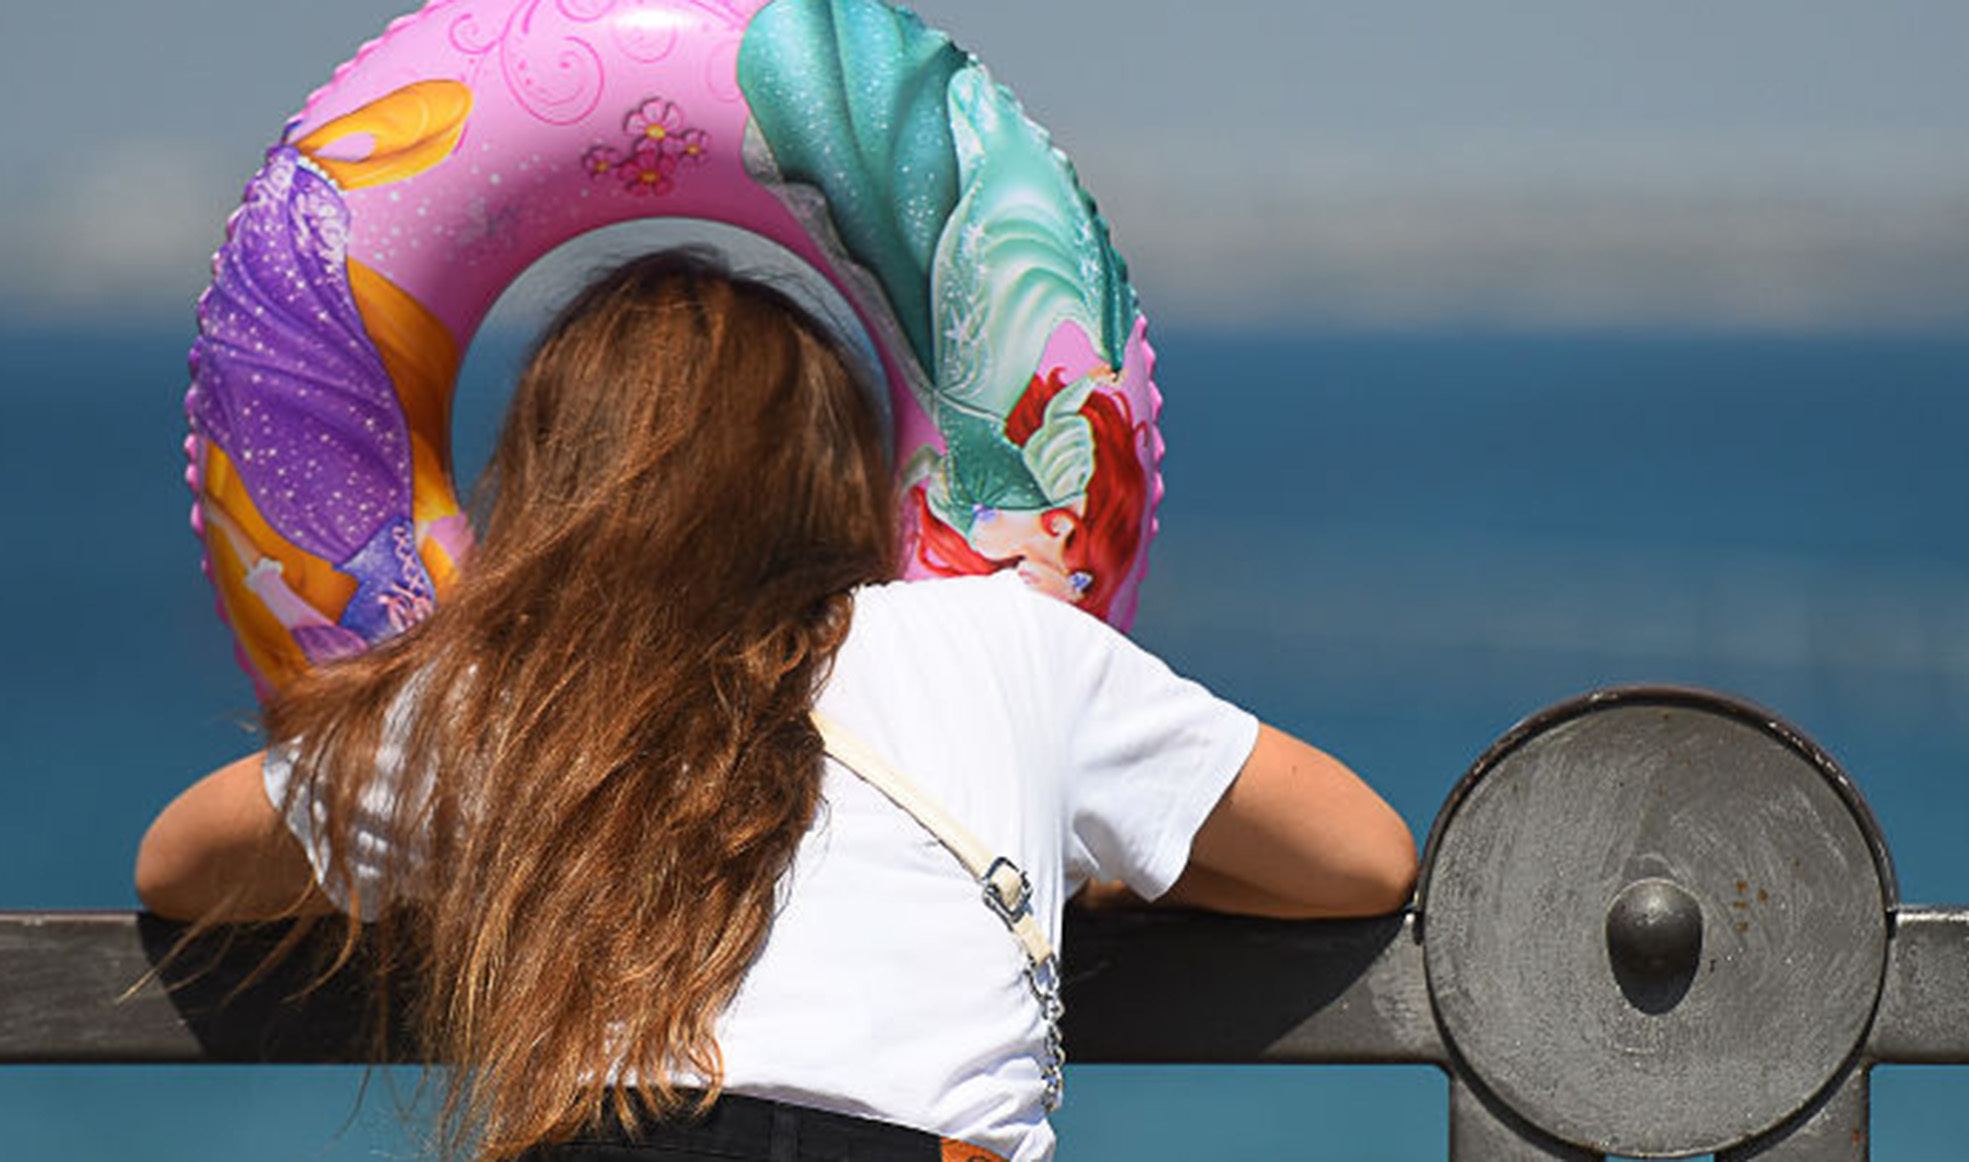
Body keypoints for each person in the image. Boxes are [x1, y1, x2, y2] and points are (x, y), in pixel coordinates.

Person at [135, 249, 1418, 1162]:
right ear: (847, 471)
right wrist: (1100, 867)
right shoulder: (1004, 645)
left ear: (545, 480)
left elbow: (180, 863)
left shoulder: (507, 702)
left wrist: (468, 852)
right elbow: (1360, 856)